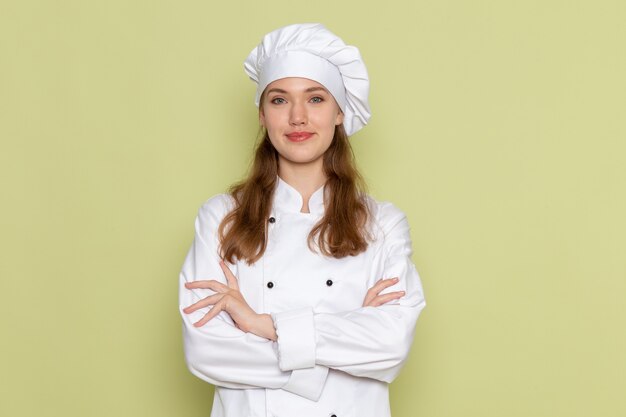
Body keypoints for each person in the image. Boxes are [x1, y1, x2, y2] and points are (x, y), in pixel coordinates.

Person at [179, 23, 426, 417]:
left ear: (340, 111)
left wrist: (262, 325)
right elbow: (206, 350)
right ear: (261, 113)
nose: (297, 117)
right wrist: (339, 345)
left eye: (315, 99)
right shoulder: (221, 217)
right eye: (279, 100)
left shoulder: (383, 225)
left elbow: (391, 345)